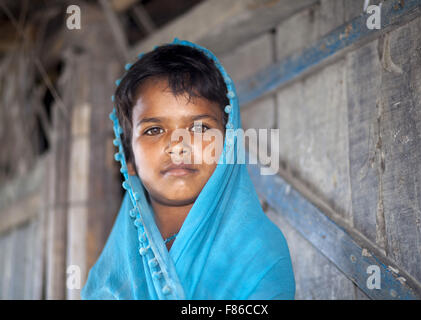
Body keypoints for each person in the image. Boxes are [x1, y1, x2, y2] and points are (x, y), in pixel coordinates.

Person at [81, 38, 295, 300]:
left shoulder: (260, 255)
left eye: (200, 128)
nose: (178, 146)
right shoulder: (107, 279)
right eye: (154, 130)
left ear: (228, 146)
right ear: (128, 161)